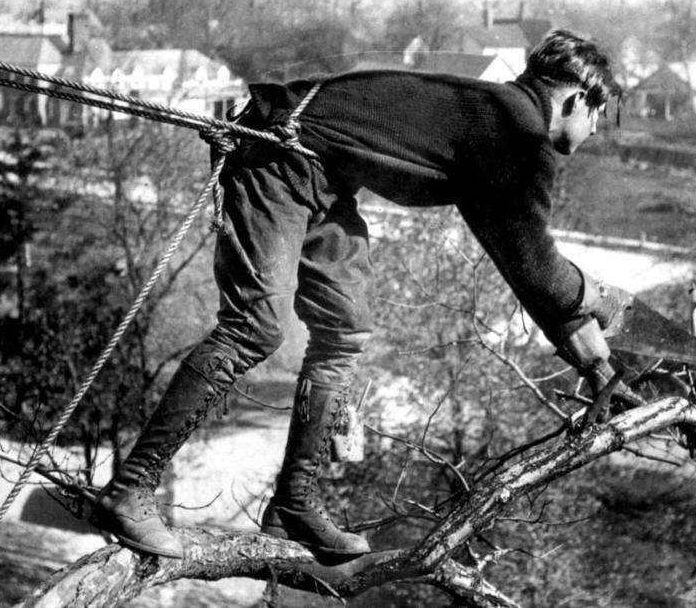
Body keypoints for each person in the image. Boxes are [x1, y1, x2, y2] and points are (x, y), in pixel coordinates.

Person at [89, 29, 630, 558]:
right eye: (598, 115)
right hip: (277, 155)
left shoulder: (501, 115)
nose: (596, 130)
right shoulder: (517, 134)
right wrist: (605, 300)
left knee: (344, 328)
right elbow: (539, 271)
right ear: (577, 99)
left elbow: (522, 265)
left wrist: (599, 368)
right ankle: (130, 488)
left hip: (322, 173)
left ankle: (293, 506)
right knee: (256, 327)